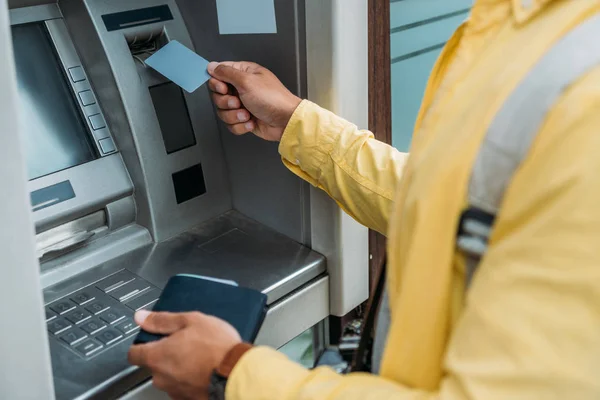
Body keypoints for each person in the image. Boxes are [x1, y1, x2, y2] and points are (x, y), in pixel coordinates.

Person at [128, 1, 600, 399]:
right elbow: (450, 207)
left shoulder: (582, 85)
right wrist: (296, 123)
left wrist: (234, 374)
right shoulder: (518, 28)